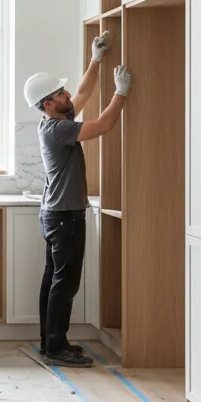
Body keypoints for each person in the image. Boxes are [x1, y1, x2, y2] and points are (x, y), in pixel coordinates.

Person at [23, 32, 132, 367]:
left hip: (56, 213)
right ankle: (55, 348)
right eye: (59, 93)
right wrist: (121, 93)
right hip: (65, 215)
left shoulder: (56, 120)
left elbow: (82, 93)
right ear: (47, 104)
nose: (67, 94)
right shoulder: (58, 130)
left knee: (54, 279)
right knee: (64, 283)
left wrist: (96, 59)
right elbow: (104, 124)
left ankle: (50, 343)